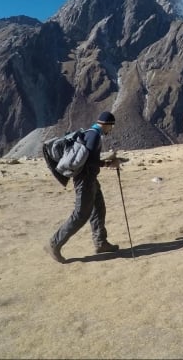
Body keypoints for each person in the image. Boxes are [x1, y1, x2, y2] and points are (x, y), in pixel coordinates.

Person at [45, 111, 121, 263]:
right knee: (80, 215)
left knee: (99, 207)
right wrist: (107, 163)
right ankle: (54, 243)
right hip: (85, 180)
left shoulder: (90, 133)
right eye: (111, 126)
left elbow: (88, 158)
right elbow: (88, 162)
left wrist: (105, 161)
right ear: (106, 125)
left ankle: (101, 243)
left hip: (89, 179)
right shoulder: (94, 136)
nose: (110, 130)